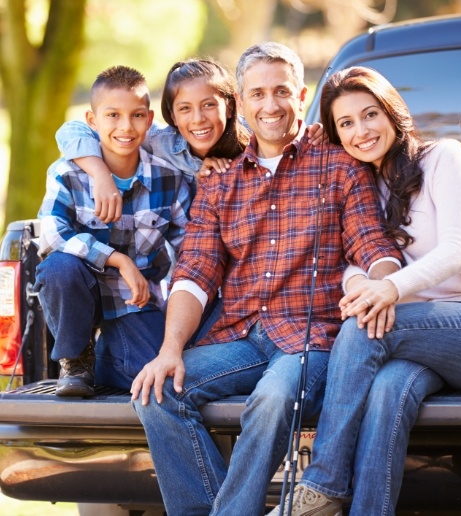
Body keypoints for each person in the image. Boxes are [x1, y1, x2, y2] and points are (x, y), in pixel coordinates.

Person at [129, 43, 403, 516]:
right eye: (257, 93)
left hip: (311, 339)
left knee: (272, 398)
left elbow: (372, 244)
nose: (270, 104)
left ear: (301, 95)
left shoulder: (339, 167)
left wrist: (385, 285)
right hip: (241, 336)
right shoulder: (220, 182)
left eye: (281, 91)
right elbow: (194, 271)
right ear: (242, 101)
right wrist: (170, 350)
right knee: (155, 394)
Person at [270, 66, 461, 516]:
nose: (361, 131)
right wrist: (362, 283)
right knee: (387, 390)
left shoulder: (444, 157)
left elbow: (457, 252)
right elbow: (352, 262)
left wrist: (386, 289)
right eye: (345, 123)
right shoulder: (364, 185)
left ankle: (322, 484)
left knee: (361, 329)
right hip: (414, 339)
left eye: (369, 115)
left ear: (391, 111)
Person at [34, 66, 191, 396]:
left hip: (134, 299)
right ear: (92, 121)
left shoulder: (168, 177)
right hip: (81, 289)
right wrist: (119, 260)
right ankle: (76, 360)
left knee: (154, 374)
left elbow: (189, 244)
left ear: (149, 120)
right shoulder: (68, 173)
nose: (125, 126)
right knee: (59, 266)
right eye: (113, 115)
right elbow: (51, 232)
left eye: (136, 115)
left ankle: (106, 359)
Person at [55, 58, 323, 224]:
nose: (198, 119)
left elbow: (286, 130)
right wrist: (100, 174)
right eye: (184, 109)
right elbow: (71, 131)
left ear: (231, 107)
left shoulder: (253, 134)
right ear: (171, 114)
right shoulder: (158, 142)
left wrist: (313, 134)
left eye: (208, 105)